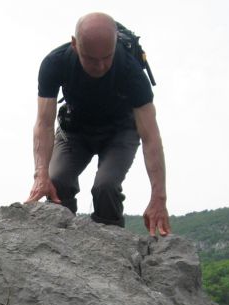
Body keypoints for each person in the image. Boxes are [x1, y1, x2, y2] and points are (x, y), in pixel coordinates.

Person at [25, 12, 170, 237]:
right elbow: (44, 123)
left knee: (106, 187)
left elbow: (151, 137)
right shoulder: (56, 63)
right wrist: (40, 174)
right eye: (92, 59)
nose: (101, 66)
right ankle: (60, 241)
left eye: (107, 57)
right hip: (75, 130)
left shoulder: (131, 73)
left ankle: (110, 248)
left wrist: (158, 198)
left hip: (120, 133)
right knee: (56, 181)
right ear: (75, 45)